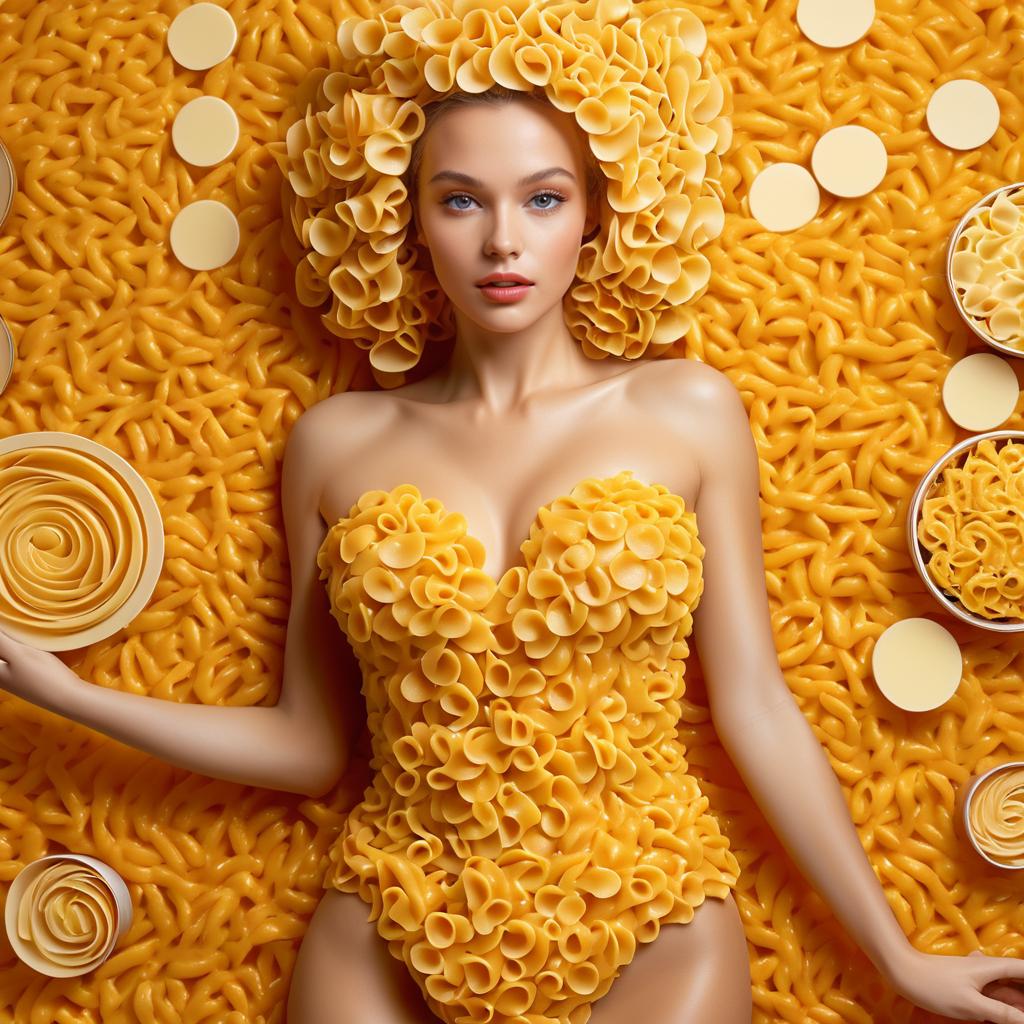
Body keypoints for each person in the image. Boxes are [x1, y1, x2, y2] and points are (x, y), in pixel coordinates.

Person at [3, 2, 1024, 1022]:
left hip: (652, 925)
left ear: (596, 211)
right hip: (385, 927)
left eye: (541, 198)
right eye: (459, 200)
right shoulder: (335, 442)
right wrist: (68, 694)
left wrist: (895, 953)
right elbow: (313, 745)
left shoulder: (688, 410)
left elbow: (756, 708)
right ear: (399, 218)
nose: (502, 240)